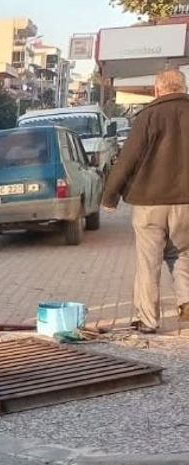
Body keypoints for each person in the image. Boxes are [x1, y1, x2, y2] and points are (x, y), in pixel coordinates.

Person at [101, 68, 189, 334]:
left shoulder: (148, 116)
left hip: (150, 202)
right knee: (183, 253)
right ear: (183, 88)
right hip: (186, 203)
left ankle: (148, 320)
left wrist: (110, 196)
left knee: (148, 261)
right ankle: (187, 301)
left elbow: (128, 159)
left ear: (157, 90)